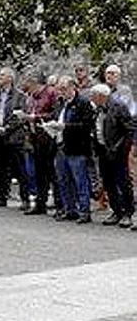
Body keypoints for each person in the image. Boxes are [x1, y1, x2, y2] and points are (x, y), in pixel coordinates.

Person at [49, 76, 95, 223]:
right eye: (59, 89)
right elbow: (55, 116)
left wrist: (65, 127)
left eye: (64, 89)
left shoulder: (83, 103)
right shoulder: (60, 103)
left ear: (72, 87)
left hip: (77, 148)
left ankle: (84, 211)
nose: (61, 92)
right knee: (63, 180)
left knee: (80, 180)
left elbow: (86, 126)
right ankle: (70, 209)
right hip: (60, 145)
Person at [90, 83, 136, 229]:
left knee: (123, 182)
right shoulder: (97, 109)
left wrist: (119, 148)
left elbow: (128, 130)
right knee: (108, 182)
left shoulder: (118, 107)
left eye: (94, 96)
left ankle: (128, 213)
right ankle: (116, 211)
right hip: (103, 150)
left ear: (101, 96)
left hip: (117, 151)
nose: (92, 98)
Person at [0, 68, 28, 210]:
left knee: (20, 168)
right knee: (0, 168)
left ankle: (25, 199)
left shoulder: (20, 96)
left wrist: (7, 128)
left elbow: (20, 115)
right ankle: (2, 196)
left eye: (2, 75)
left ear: (10, 78)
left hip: (14, 137)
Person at [21, 72, 59, 215]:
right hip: (35, 138)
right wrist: (25, 118)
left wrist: (36, 117)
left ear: (35, 83)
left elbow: (55, 113)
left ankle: (58, 204)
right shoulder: (31, 98)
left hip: (48, 137)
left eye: (28, 85)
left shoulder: (50, 93)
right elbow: (29, 111)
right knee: (39, 172)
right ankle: (40, 203)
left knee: (52, 172)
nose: (26, 88)